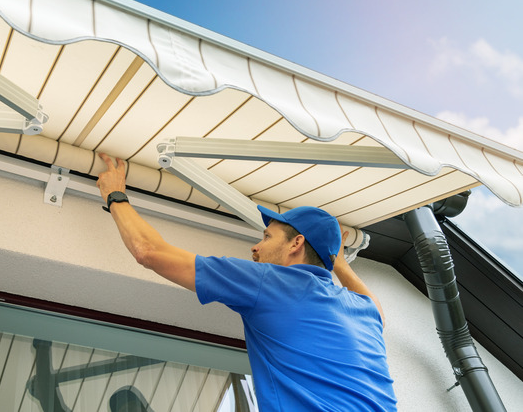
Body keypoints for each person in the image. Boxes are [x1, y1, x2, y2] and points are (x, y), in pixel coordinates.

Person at [96, 153, 397, 411]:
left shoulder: (272, 283)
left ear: (296, 244)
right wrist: (338, 263)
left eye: (266, 237)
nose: (256, 247)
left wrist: (115, 196)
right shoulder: (361, 311)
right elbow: (378, 311)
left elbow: (149, 252)